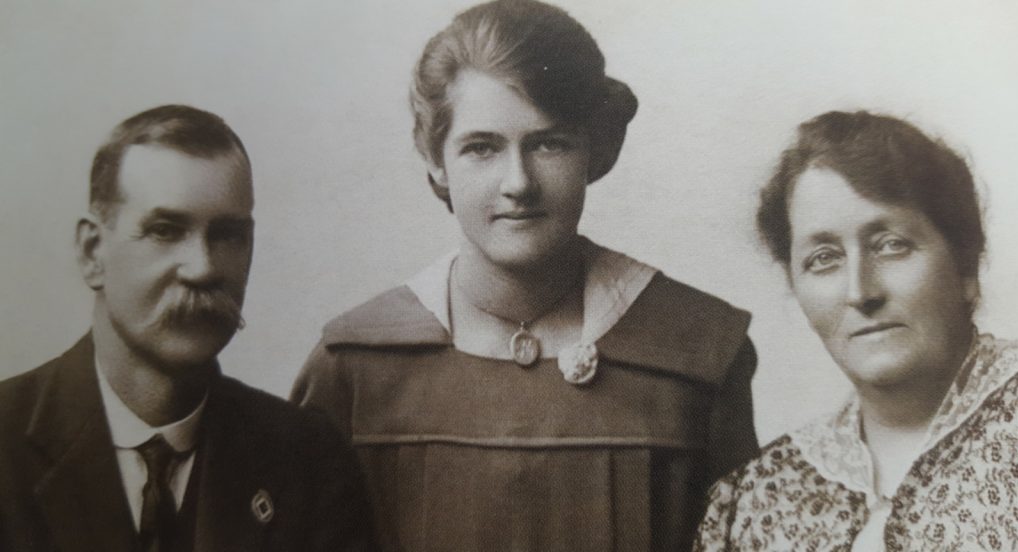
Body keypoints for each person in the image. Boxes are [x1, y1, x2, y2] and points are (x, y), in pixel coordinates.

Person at [292, 1, 758, 550]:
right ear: (436, 159)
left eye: (549, 143)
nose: (519, 182)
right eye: (482, 147)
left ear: (596, 150)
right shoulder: (355, 366)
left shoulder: (697, 356)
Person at [0, 105, 373, 551]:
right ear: (92, 252)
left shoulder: (309, 462)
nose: (203, 268)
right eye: (165, 230)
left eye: (228, 235)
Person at [694, 111, 1018, 551]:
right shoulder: (758, 497)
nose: (860, 292)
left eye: (891, 245)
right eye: (824, 258)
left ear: (965, 266)